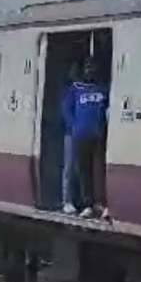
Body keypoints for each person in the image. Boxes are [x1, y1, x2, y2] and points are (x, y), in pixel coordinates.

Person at [61, 60, 109, 219]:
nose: (90, 71)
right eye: (87, 68)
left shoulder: (103, 89)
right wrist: (74, 126)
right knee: (83, 172)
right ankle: (87, 204)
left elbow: (108, 109)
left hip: (98, 136)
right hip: (80, 136)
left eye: (93, 68)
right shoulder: (75, 89)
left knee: (99, 170)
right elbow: (66, 110)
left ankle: (100, 204)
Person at [59, 63, 81, 215]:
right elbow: (66, 112)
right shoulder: (70, 91)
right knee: (70, 168)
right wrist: (75, 128)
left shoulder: (89, 89)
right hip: (72, 135)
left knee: (81, 169)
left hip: (86, 136)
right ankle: (66, 201)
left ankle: (80, 200)